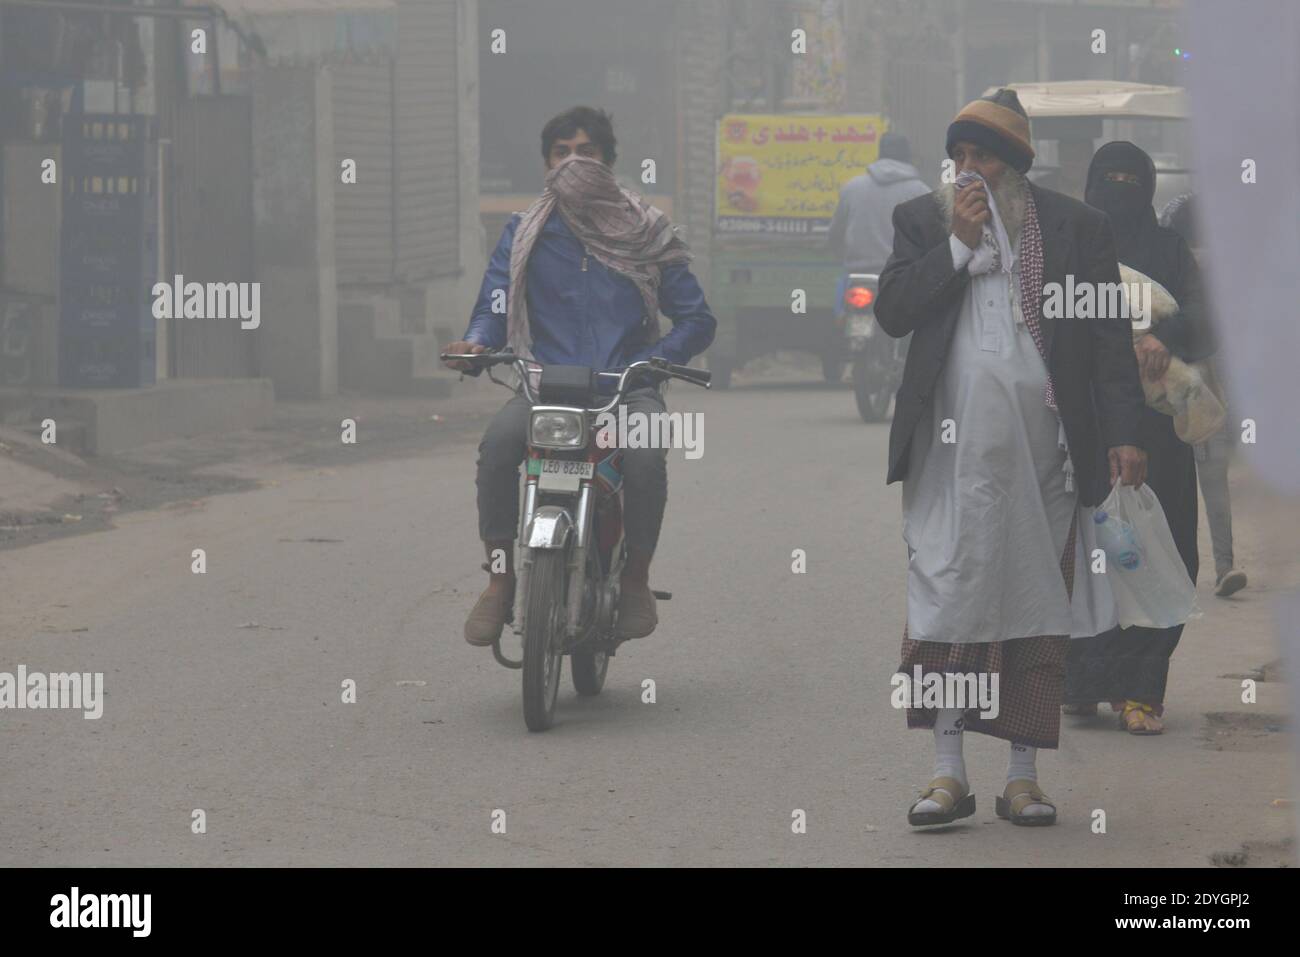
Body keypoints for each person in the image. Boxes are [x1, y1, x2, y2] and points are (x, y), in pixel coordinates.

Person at [875, 90, 1147, 828]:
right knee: (949, 602)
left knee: (1034, 607)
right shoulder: (924, 223)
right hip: (949, 464)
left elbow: (1106, 341)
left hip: (1045, 460)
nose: (968, 171)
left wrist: (1124, 430)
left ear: (1016, 167)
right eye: (959, 156)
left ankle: (1023, 777)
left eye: (984, 157)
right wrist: (958, 249)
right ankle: (947, 772)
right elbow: (893, 310)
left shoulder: (1073, 228)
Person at [443, 106, 716, 646]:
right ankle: (500, 579)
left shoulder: (646, 231)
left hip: (626, 387)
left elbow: (696, 318)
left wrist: (657, 359)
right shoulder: (525, 231)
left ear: (609, 161)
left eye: (585, 152)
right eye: (560, 152)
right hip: (546, 384)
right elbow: (496, 302)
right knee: (497, 448)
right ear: (545, 163)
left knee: (643, 459)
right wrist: (476, 343)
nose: (573, 162)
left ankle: (635, 580)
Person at [1063, 147, 1217, 734]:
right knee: (1088, 554)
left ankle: (1141, 689)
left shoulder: (1170, 251)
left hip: (1158, 436)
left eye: (1130, 182)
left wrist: (1162, 335)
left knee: (1161, 549)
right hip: (1086, 425)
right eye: (1108, 180)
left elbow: (1207, 324)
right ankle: (1084, 679)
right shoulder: (1072, 244)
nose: (1118, 191)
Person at [1160, 193, 1245, 598]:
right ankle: (1224, 566)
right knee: (1214, 485)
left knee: (1167, 488)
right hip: (1207, 390)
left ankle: (1172, 574)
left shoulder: (1165, 264)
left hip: (1166, 392)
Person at [828, 132, 930, 274]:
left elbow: (836, 235)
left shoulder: (851, 188)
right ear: (908, 157)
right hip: (902, 276)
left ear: (880, 154)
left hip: (858, 275)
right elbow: (932, 239)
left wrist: (843, 258)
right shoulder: (920, 191)